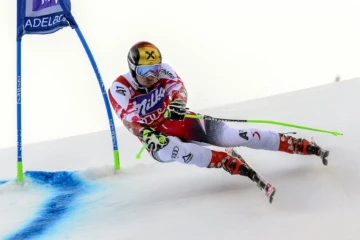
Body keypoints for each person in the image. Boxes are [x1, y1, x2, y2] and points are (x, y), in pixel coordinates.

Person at [108, 41, 328, 188]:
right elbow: (130, 120)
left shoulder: (164, 70)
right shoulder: (119, 88)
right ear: (132, 68)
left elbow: (179, 89)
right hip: (156, 138)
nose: (151, 76)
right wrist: (146, 134)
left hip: (178, 122)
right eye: (144, 71)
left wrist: (178, 103)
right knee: (172, 149)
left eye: (154, 69)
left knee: (233, 136)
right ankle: (224, 161)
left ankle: (295, 144)